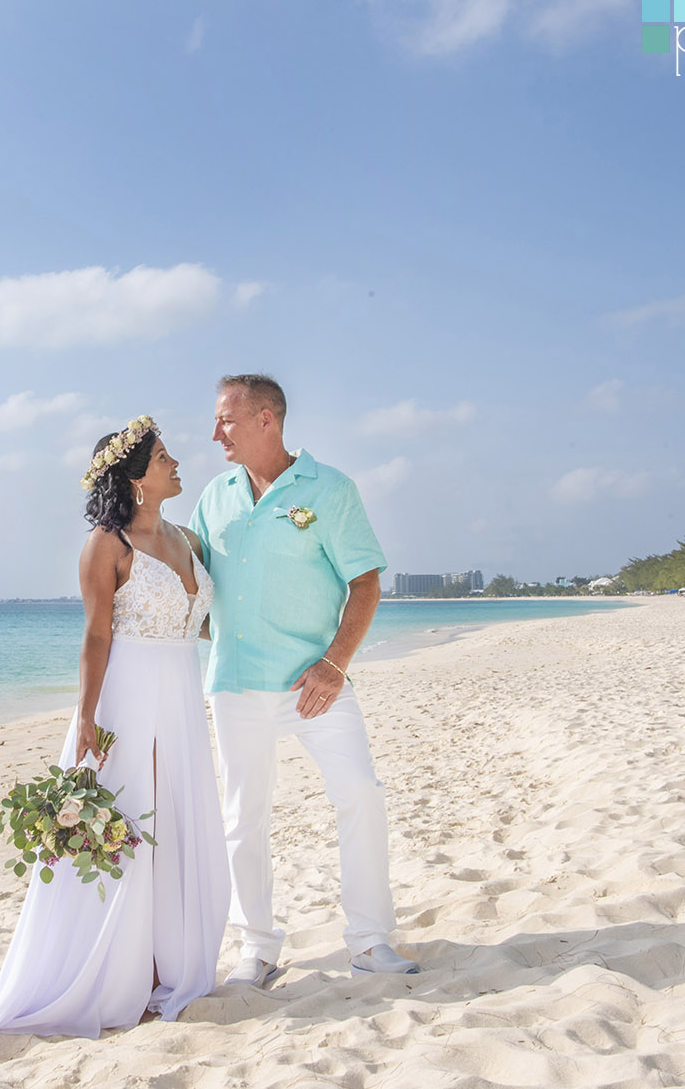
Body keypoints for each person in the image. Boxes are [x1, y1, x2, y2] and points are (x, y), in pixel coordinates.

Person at [0, 418, 228, 1054]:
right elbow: (97, 635)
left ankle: (166, 966)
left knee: (178, 824)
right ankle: (110, 971)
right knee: (125, 825)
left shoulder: (186, 537)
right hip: (126, 697)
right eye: (164, 456)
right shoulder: (105, 544)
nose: (176, 462)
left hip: (183, 699)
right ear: (136, 476)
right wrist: (86, 717)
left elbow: (207, 621)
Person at [189, 374, 420, 986]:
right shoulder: (214, 496)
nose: (216, 433)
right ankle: (257, 948)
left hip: (314, 684)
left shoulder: (330, 489)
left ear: (268, 419)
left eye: (227, 420)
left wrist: (335, 663)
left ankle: (370, 941)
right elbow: (194, 584)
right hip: (235, 683)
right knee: (243, 815)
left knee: (361, 795)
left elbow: (365, 583)